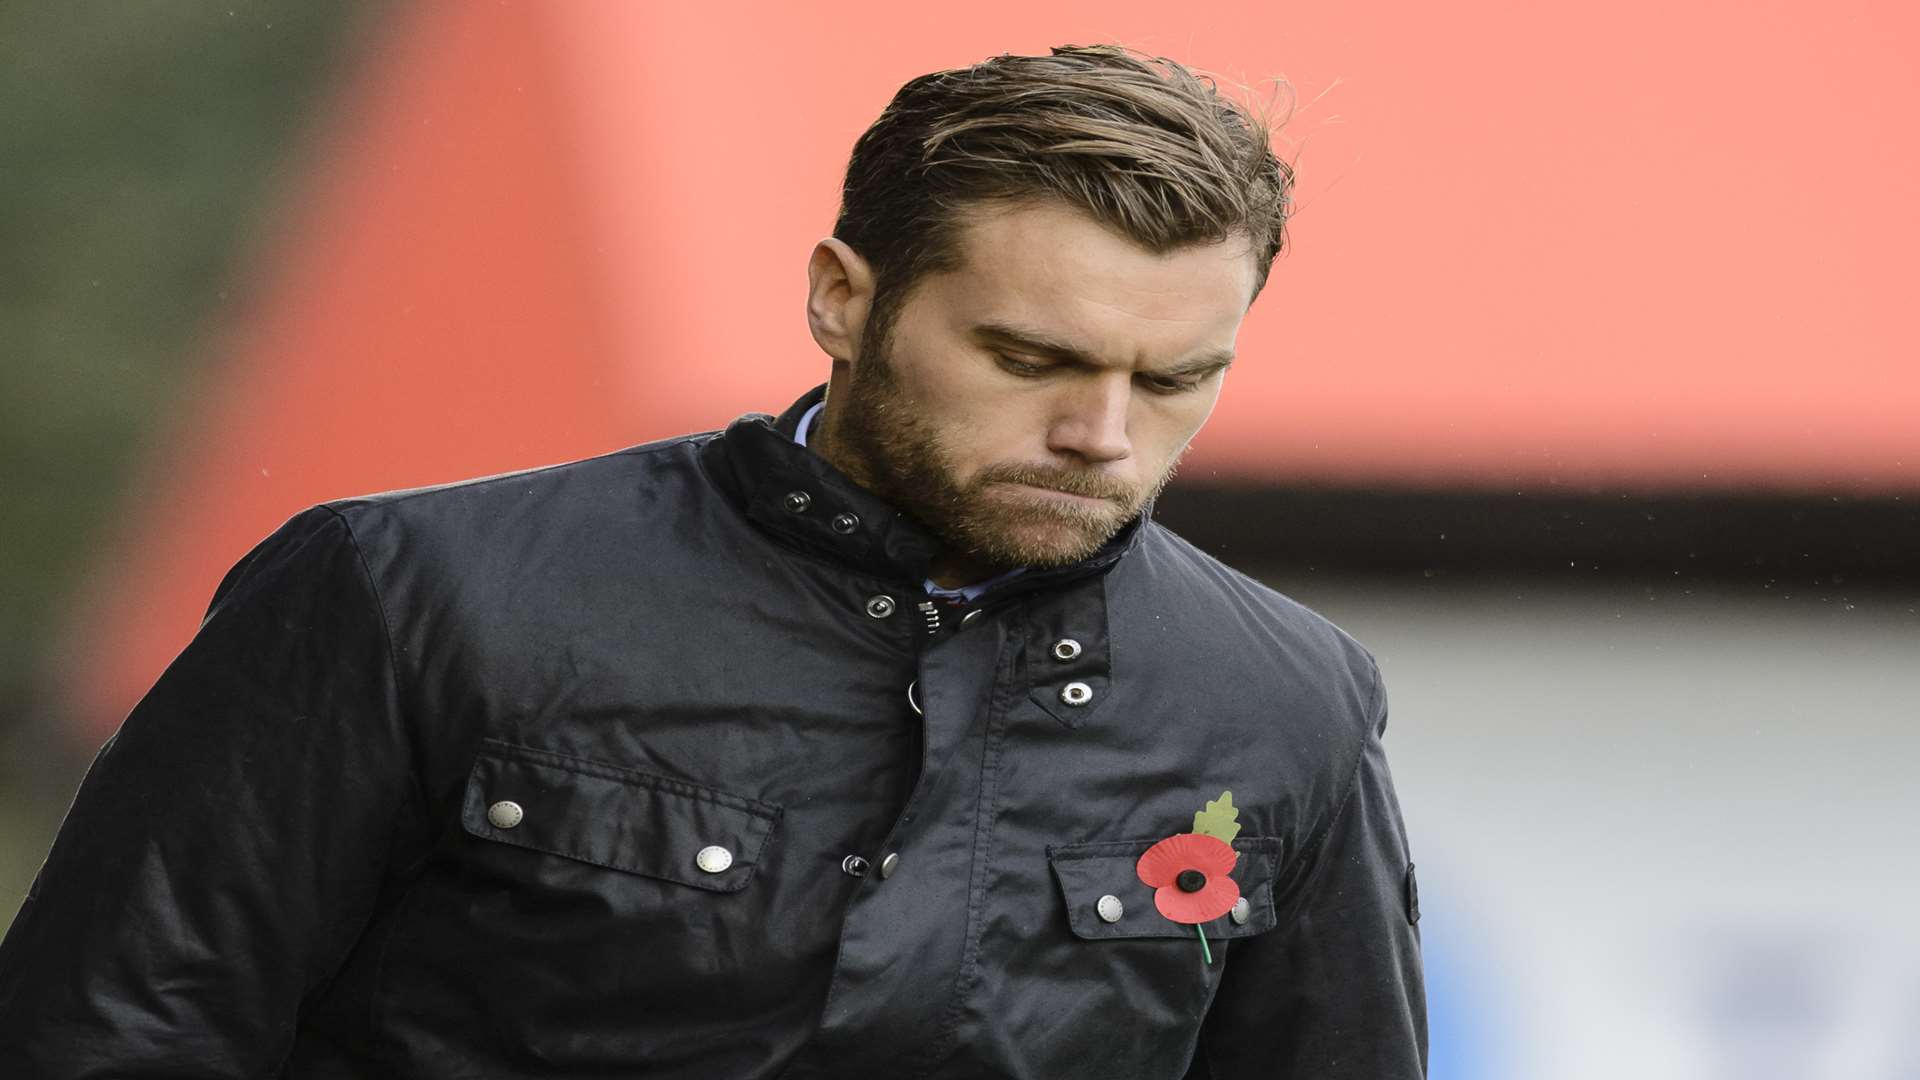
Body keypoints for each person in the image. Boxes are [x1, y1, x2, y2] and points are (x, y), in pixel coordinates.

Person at [0, 44, 1425, 1078]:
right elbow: (112, 1033)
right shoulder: (411, 591)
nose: (1102, 436)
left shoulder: (1285, 701)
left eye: (1175, 379)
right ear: (842, 298)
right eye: (1028, 357)